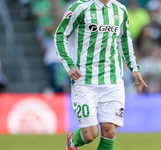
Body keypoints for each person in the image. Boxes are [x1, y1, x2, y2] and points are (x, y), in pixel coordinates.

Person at [54, 0, 147, 150]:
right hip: (84, 80)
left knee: (109, 132)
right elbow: (60, 35)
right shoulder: (80, 7)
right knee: (90, 134)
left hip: (113, 80)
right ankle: (72, 142)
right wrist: (69, 64)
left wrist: (134, 68)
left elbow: (124, 39)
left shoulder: (120, 10)